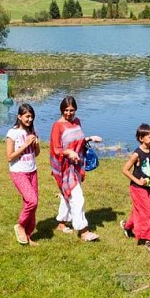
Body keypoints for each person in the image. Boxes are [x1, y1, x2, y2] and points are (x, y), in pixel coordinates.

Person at [49, 95, 103, 242]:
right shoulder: (57, 126)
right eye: (66, 110)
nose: (69, 113)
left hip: (76, 164)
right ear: (61, 109)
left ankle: (61, 223)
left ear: (76, 110)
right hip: (63, 167)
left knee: (68, 195)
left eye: (72, 110)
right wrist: (69, 152)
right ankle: (84, 231)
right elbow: (56, 148)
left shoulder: (77, 122)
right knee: (77, 197)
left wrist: (90, 138)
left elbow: (77, 140)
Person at [120, 123, 150, 251]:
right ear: (141, 138)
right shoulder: (137, 154)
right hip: (137, 188)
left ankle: (127, 227)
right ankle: (149, 240)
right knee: (148, 212)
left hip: (149, 187)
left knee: (140, 210)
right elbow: (125, 170)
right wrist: (138, 182)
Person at [6, 103, 41, 246]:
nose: (30, 119)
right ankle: (20, 225)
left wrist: (36, 145)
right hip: (19, 172)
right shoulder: (12, 133)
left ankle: (28, 235)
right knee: (32, 201)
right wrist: (25, 145)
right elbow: (9, 156)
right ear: (19, 117)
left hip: (32, 170)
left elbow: (36, 154)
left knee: (31, 204)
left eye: (32, 116)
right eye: (27, 116)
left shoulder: (31, 132)